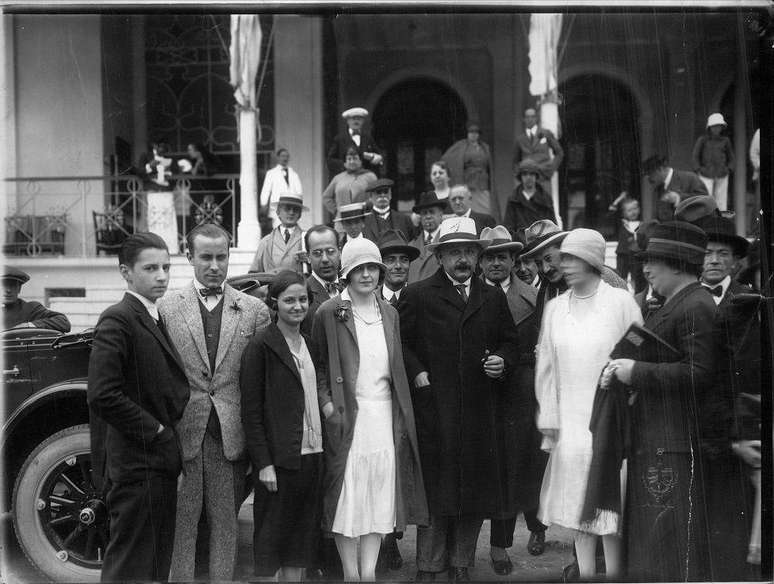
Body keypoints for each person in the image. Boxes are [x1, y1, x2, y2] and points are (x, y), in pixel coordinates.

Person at [399, 216, 519, 582]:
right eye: (454, 253)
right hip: (436, 409)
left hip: (479, 412)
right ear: (440, 257)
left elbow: (509, 342)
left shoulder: (492, 295)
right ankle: (429, 564)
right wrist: (418, 372)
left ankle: (462, 562)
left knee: (472, 491)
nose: (462, 259)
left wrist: (503, 360)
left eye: (468, 251)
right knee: (437, 492)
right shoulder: (417, 294)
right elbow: (400, 343)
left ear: (478, 256)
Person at [159, 223, 271, 581]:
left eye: (221, 257)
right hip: (182, 434)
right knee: (182, 524)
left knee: (226, 525)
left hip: (230, 436)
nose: (214, 265)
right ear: (189, 256)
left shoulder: (253, 310)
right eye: (205, 257)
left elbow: (259, 383)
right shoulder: (166, 308)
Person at [313, 237, 428, 581]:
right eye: (358, 269)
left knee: (379, 496)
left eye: (372, 268)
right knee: (349, 496)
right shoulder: (329, 312)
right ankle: (351, 574)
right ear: (346, 274)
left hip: (385, 416)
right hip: (348, 416)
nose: (366, 275)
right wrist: (327, 404)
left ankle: (369, 572)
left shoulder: (389, 312)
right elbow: (318, 366)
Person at [606, 221, 715, 581]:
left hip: (673, 443)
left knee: (666, 540)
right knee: (656, 538)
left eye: (655, 261)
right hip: (660, 438)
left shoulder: (695, 306)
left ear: (679, 264)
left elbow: (698, 373)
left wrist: (636, 371)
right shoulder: (678, 303)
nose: (646, 269)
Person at [534, 228, 642, 580]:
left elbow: (639, 353)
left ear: (593, 260)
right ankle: (584, 573)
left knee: (610, 512)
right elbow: (546, 371)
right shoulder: (554, 308)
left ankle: (612, 574)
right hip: (571, 423)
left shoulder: (620, 302)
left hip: (611, 420)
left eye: (572, 257)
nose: (564, 265)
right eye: (562, 257)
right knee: (579, 510)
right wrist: (551, 423)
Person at [87, 233, 189, 582]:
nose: (161, 275)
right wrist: (156, 431)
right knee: (130, 566)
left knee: (153, 566)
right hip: (137, 465)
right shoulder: (119, 318)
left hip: (156, 464)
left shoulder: (150, 315)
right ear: (125, 272)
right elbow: (102, 394)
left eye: (166, 267)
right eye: (150, 268)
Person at [240, 270, 324, 581]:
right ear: (275, 303)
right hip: (280, 461)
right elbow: (251, 411)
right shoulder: (261, 346)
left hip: (313, 455)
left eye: (303, 299)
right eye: (289, 300)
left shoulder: (311, 344)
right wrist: (263, 464)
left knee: (300, 543)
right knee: (271, 542)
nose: (297, 306)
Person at [692, 214, 760, 578]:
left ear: (736, 261)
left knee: (735, 524)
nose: (714, 260)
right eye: (706, 253)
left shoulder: (749, 301)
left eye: (722, 254)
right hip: (695, 428)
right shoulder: (685, 300)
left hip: (736, 427)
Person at [477, 226, 549, 574]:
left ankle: (538, 528)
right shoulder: (470, 294)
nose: (495, 263)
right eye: (489, 256)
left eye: (502, 256)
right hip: (483, 390)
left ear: (513, 260)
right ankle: (498, 546)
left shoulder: (533, 298)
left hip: (522, 391)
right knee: (496, 469)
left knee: (528, 463)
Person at [520, 220, 628, 326]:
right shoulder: (546, 289)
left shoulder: (602, 279)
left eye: (548, 258)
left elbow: (634, 333)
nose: (545, 269)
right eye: (538, 263)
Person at [441, 122, 493, 215]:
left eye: (476, 133)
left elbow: (490, 164)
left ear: (478, 135)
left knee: (486, 209)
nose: (473, 135)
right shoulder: (461, 146)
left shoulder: (485, 147)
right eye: (471, 133)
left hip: (483, 183)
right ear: (468, 134)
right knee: (469, 207)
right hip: (469, 181)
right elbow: (447, 159)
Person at [249, 193, 308, 274]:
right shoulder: (266, 242)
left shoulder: (306, 239)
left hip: (298, 285)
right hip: (272, 285)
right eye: (287, 208)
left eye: (296, 209)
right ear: (278, 212)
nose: (291, 212)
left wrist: (309, 260)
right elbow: (254, 273)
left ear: (300, 214)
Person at [512, 108, 564, 195]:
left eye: (532, 117)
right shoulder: (520, 139)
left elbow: (559, 153)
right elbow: (515, 162)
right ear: (524, 119)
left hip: (543, 177)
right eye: (527, 117)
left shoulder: (545, 133)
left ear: (536, 118)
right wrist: (520, 176)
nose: (530, 119)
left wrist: (551, 168)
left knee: (544, 206)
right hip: (527, 181)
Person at [642, 155, 708, 222]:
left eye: (649, 174)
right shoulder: (657, 190)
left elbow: (705, 201)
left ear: (660, 169)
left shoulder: (690, 178)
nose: (649, 179)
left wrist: (678, 198)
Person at [2, 267, 70, 332]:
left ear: (19, 288)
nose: (8, 290)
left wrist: (27, 326)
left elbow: (63, 322)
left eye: (12, 285)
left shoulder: (29, 309)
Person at [503, 159, 558, 239]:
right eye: (525, 174)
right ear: (520, 177)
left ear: (536, 176)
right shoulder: (513, 200)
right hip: (521, 245)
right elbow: (508, 228)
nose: (528, 177)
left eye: (532, 174)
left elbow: (553, 227)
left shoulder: (546, 199)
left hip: (541, 243)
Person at [323, 148, 378, 226]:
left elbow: (376, 195)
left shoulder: (370, 177)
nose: (352, 161)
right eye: (349, 159)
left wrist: (367, 204)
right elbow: (326, 197)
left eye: (355, 158)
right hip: (342, 222)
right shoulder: (338, 178)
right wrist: (336, 210)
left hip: (364, 220)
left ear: (361, 161)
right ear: (345, 163)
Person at [303, 225, 342, 334]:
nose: (325, 259)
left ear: (339, 253)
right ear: (308, 257)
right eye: (317, 253)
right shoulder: (303, 294)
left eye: (330, 251)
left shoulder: (352, 287)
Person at [692, 113, 735, 212]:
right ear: (710, 127)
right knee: (705, 200)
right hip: (705, 174)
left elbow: (731, 158)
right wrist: (699, 169)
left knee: (721, 202)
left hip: (722, 175)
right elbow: (695, 156)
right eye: (714, 126)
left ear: (722, 127)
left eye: (719, 126)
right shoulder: (702, 140)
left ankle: (721, 223)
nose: (716, 129)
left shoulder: (725, 141)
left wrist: (728, 169)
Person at [327, 107, 383, 176]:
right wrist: (346, 164)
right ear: (348, 121)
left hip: (365, 178)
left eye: (359, 119)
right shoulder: (339, 138)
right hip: (346, 178)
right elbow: (330, 160)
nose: (356, 121)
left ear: (363, 121)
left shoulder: (368, 138)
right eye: (353, 119)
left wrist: (372, 157)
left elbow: (379, 158)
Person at [607, 193, 647, 292]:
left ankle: (638, 296)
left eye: (635, 208)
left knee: (637, 278)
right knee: (621, 277)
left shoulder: (642, 224)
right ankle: (622, 294)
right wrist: (619, 199)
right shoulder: (622, 223)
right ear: (624, 213)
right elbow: (611, 210)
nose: (633, 212)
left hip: (636, 255)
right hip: (622, 254)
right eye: (629, 210)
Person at [407, 191, 449, 284]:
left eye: (432, 212)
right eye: (424, 213)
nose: (428, 216)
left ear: (440, 214)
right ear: (420, 217)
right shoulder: (411, 246)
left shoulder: (448, 243)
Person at [260, 148, 304, 229]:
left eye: (287, 156)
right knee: (278, 228)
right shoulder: (271, 173)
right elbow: (266, 190)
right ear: (278, 157)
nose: (285, 158)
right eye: (283, 156)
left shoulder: (294, 174)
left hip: (291, 206)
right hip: (277, 206)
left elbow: (299, 192)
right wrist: (263, 204)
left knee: (291, 228)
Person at [362, 178, 415, 243]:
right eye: (378, 192)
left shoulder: (405, 220)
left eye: (386, 192)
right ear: (370, 197)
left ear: (390, 195)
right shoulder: (364, 222)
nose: (383, 195)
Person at [378, 229, 419, 306]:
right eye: (391, 260)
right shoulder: (369, 300)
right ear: (381, 265)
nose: (398, 266)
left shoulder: (421, 300)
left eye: (404, 260)